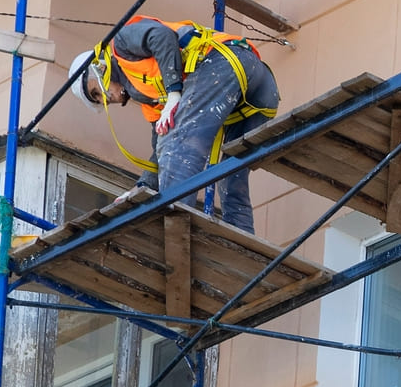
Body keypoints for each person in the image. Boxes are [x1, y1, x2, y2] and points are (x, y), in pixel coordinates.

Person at [69, 19, 280, 233]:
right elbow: (160, 154)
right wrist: (141, 187)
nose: (106, 99)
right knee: (231, 175)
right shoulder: (150, 101)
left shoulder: (122, 44)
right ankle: (242, 240)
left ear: (98, 67)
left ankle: (171, 230)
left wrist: (173, 92)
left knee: (179, 149)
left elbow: (161, 36)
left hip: (225, 62)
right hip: (258, 92)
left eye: (96, 92)